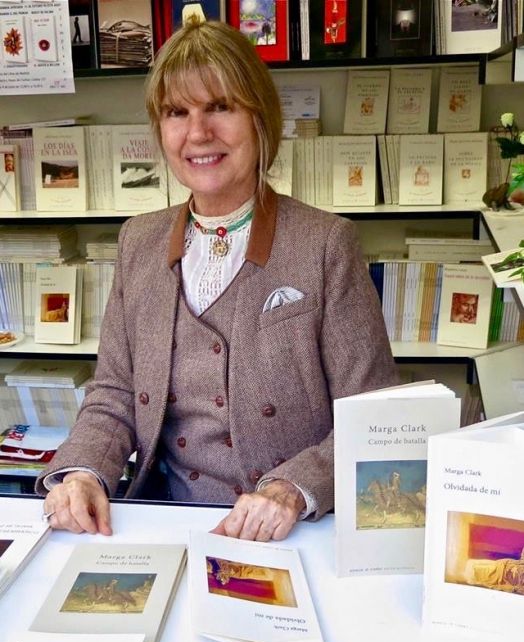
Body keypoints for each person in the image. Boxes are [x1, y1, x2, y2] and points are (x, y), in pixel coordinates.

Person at [37, 19, 397, 541]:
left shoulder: (326, 244)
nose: (198, 133)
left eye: (220, 107)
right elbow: (114, 393)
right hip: (165, 521)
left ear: (259, 117)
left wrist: (293, 489)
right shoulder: (138, 241)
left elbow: (375, 415)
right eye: (177, 112)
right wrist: (83, 472)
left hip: (290, 530)